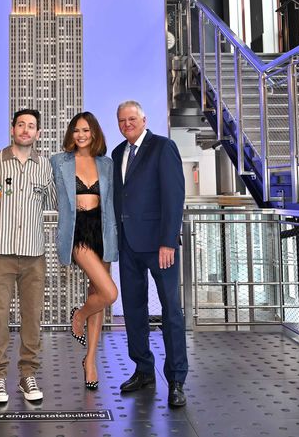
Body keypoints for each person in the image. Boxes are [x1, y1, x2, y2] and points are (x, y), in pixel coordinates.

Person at [112, 100, 188, 407]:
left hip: (160, 246)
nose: (127, 123)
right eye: (122, 120)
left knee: (171, 312)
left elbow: (174, 195)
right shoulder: (118, 153)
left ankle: (177, 380)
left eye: (132, 118)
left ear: (144, 119)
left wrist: (168, 240)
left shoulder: (163, 147)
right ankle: (143, 369)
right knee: (133, 310)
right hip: (128, 245)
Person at [0, 109, 56, 404]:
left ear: (38, 133)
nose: (26, 130)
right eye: (21, 125)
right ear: (12, 129)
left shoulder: (46, 167)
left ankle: (28, 374)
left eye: (32, 126)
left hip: (34, 253)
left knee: (32, 317)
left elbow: (55, 200)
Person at [49, 111, 118, 390]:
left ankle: (90, 361)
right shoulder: (59, 161)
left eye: (86, 130)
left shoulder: (107, 164)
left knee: (98, 294)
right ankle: (79, 315)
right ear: (70, 134)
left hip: (102, 229)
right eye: (76, 130)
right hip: (78, 231)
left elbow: (114, 201)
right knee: (110, 293)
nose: (81, 135)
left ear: (94, 134)